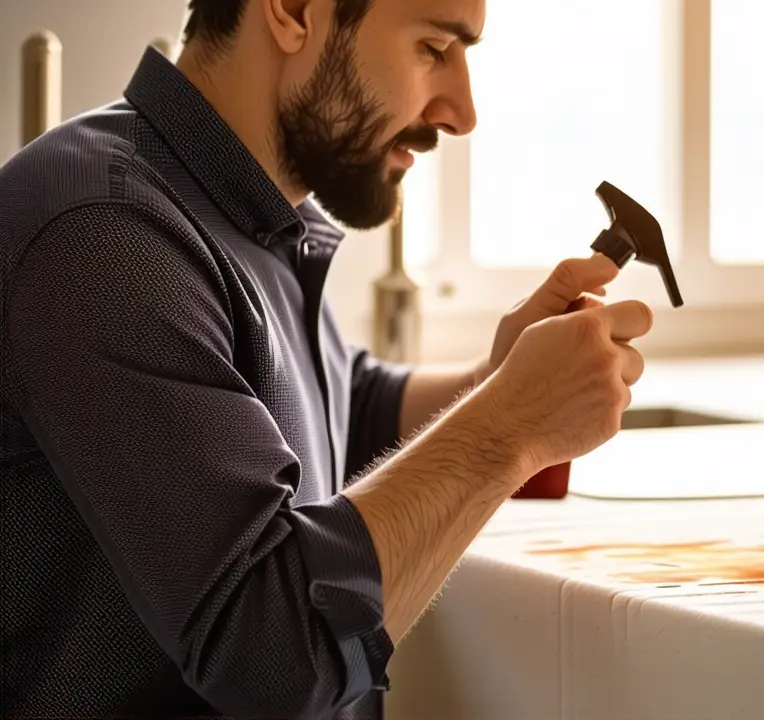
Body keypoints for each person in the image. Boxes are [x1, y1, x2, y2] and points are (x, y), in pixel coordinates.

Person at [0, 0, 653, 716]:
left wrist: (493, 382)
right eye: (434, 48)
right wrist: (508, 424)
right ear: (293, 12)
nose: (461, 113)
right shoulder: (105, 236)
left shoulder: (238, 214)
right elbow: (280, 658)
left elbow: (340, 412)